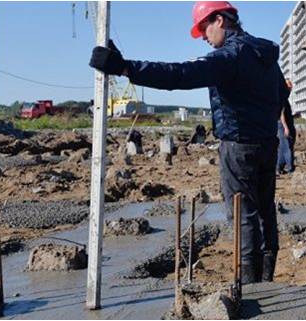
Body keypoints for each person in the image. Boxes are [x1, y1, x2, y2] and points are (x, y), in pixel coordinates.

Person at [89, 1, 288, 283]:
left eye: (204, 28)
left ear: (220, 20)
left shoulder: (230, 56)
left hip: (238, 145)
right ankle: (266, 277)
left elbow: (181, 74)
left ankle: (251, 284)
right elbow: (281, 95)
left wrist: (125, 68)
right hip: (267, 144)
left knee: (242, 212)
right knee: (265, 210)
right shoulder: (265, 55)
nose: (204, 37)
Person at [277, 79, 295, 174]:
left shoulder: (284, 98)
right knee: (287, 146)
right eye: (289, 87)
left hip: (284, 124)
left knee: (282, 147)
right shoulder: (282, 97)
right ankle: (289, 167)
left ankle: (279, 167)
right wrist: (286, 128)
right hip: (282, 125)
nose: (290, 89)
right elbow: (281, 114)